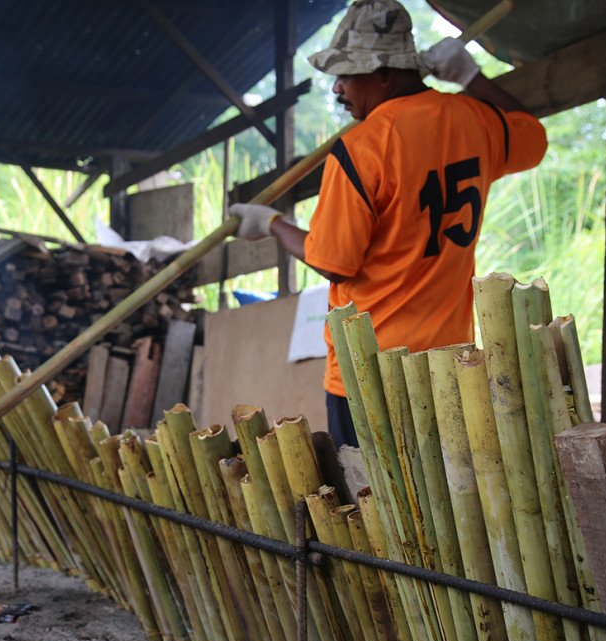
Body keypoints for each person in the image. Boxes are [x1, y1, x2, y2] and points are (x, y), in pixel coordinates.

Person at [230, 0, 547, 449]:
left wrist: (274, 223)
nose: (338, 89)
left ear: (385, 73)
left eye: (347, 74)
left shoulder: (361, 149)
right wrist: (470, 77)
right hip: (448, 364)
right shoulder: (474, 121)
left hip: (370, 372)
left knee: (373, 507)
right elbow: (533, 135)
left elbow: (334, 262)